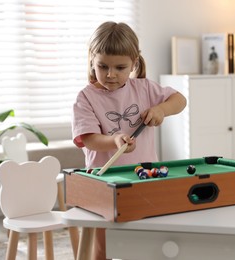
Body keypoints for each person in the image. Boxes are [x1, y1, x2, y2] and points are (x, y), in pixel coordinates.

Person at [71, 21, 187, 260]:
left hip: (145, 176)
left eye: (120, 67)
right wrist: (114, 140)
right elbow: (90, 139)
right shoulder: (85, 98)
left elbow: (180, 100)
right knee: (103, 246)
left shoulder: (144, 88)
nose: (111, 74)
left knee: (145, 240)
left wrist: (162, 110)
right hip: (104, 180)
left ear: (134, 63)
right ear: (92, 60)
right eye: (103, 66)